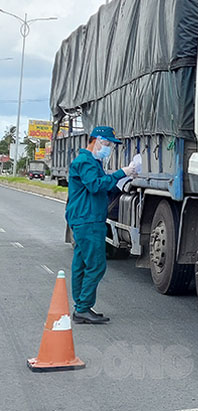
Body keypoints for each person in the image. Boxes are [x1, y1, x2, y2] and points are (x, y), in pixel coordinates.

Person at [66, 126, 137, 324]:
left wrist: (119, 179)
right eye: (107, 144)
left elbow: (98, 185)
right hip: (87, 220)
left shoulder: (91, 161)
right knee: (96, 265)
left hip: (85, 218)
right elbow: (95, 185)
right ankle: (82, 308)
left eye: (110, 145)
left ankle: (82, 307)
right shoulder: (86, 161)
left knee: (81, 263)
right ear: (96, 140)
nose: (109, 148)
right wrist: (121, 173)